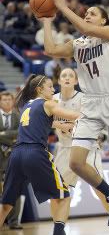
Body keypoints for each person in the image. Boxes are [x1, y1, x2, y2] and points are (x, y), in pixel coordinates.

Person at [40, 0, 109, 227]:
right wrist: (47, 20)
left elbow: (86, 28)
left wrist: (64, 6)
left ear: (104, 19)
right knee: (76, 162)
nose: (87, 15)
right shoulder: (78, 44)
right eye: (85, 13)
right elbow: (51, 50)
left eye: (92, 13)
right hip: (91, 103)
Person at [0, 74, 79, 235]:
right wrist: (95, 116)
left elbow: (55, 123)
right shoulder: (48, 103)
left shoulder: (27, 106)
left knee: (6, 204)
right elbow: (72, 115)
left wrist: (68, 126)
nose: (53, 89)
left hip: (16, 155)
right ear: (39, 90)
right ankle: (58, 232)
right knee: (63, 196)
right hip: (35, 153)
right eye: (50, 87)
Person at [53, 67, 109, 234]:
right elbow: (46, 120)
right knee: (58, 191)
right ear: (58, 81)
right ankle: (58, 228)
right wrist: (58, 124)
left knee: (98, 187)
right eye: (63, 75)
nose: (66, 78)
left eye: (70, 75)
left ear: (76, 81)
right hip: (64, 148)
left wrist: (65, 125)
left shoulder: (83, 99)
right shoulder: (52, 100)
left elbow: (91, 123)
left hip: (85, 147)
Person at [0, 91, 24, 230]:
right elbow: (14, 135)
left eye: (9, 99)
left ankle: (14, 222)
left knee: (14, 191)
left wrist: (2, 134)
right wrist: (11, 137)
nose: (7, 102)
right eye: (4, 99)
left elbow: (20, 134)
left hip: (14, 158)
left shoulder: (18, 116)